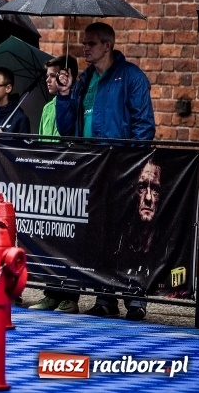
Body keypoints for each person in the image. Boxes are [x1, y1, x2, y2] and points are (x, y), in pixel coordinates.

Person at [55, 22, 155, 321]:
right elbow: (67, 127)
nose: (85, 48)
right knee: (99, 235)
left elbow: (144, 126)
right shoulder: (84, 79)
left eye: (91, 43)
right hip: (90, 168)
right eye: (84, 42)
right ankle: (104, 296)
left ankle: (135, 298)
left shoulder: (131, 77)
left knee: (128, 233)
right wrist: (63, 95)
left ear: (107, 45)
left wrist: (131, 163)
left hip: (121, 167)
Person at [28, 54, 82, 314]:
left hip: (69, 175)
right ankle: (51, 292)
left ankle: (69, 296)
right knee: (49, 236)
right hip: (48, 176)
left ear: (66, 76)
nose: (48, 80)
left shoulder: (73, 102)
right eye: (47, 75)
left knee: (68, 240)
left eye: (53, 75)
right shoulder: (48, 107)